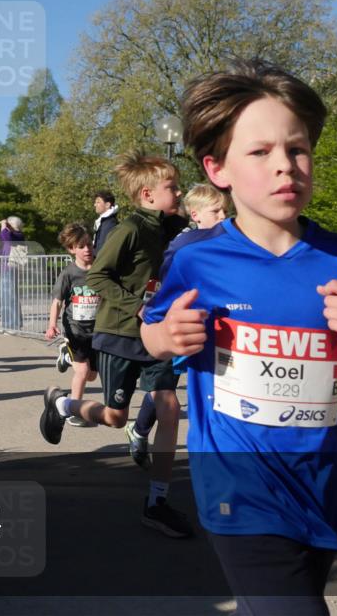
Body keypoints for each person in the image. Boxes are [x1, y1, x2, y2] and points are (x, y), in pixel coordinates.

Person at [141, 59, 337, 615]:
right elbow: (151, 334)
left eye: (297, 150)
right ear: (216, 168)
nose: (285, 167)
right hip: (236, 489)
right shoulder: (196, 260)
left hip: (322, 490)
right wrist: (165, 337)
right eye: (260, 152)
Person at [39, 150, 193, 539]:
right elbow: (100, 277)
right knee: (114, 417)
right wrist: (136, 304)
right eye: (171, 187)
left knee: (169, 407)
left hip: (154, 334)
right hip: (121, 333)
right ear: (147, 194)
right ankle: (63, 404)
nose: (179, 192)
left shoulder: (171, 228)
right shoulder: (129, 229)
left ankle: (156, 502)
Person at [125, 183, 232, 466]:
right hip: (179, 326)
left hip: (215, 328)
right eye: (216, 210)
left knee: (201, 393)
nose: (223, 215)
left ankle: (141, 430)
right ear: (195, 215)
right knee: (165, 391)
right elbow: (166, 286)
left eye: (225, 210)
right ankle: (140, 431)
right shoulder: (184, 245)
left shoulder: (231, 239)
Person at [45, 223, 100, 427]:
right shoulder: (69, 273)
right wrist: (52, 325)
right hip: (75, 331)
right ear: (71, 249)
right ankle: (74, 411)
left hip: (96, 331)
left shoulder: (100, 269)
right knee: (83, 372)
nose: (87, 249)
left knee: (92, 375)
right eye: (82, 245)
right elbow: (57, 301)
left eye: (89, 244)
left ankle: (66, 356)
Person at [0, 216, 25, 332]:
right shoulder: (11, 238)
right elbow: (2, 255)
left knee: (10, 298)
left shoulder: (18, 235)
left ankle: (12, 326)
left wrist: (3, 224)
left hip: (11, 270)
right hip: (5, 271)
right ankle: (7, 325)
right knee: (5, 298)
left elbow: (4, 235)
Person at [92, 190, 119, 254]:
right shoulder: (104, 222)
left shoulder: (109, 224)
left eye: (98, 202)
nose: (95, 205)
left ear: (107, 205)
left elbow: (102, 250)